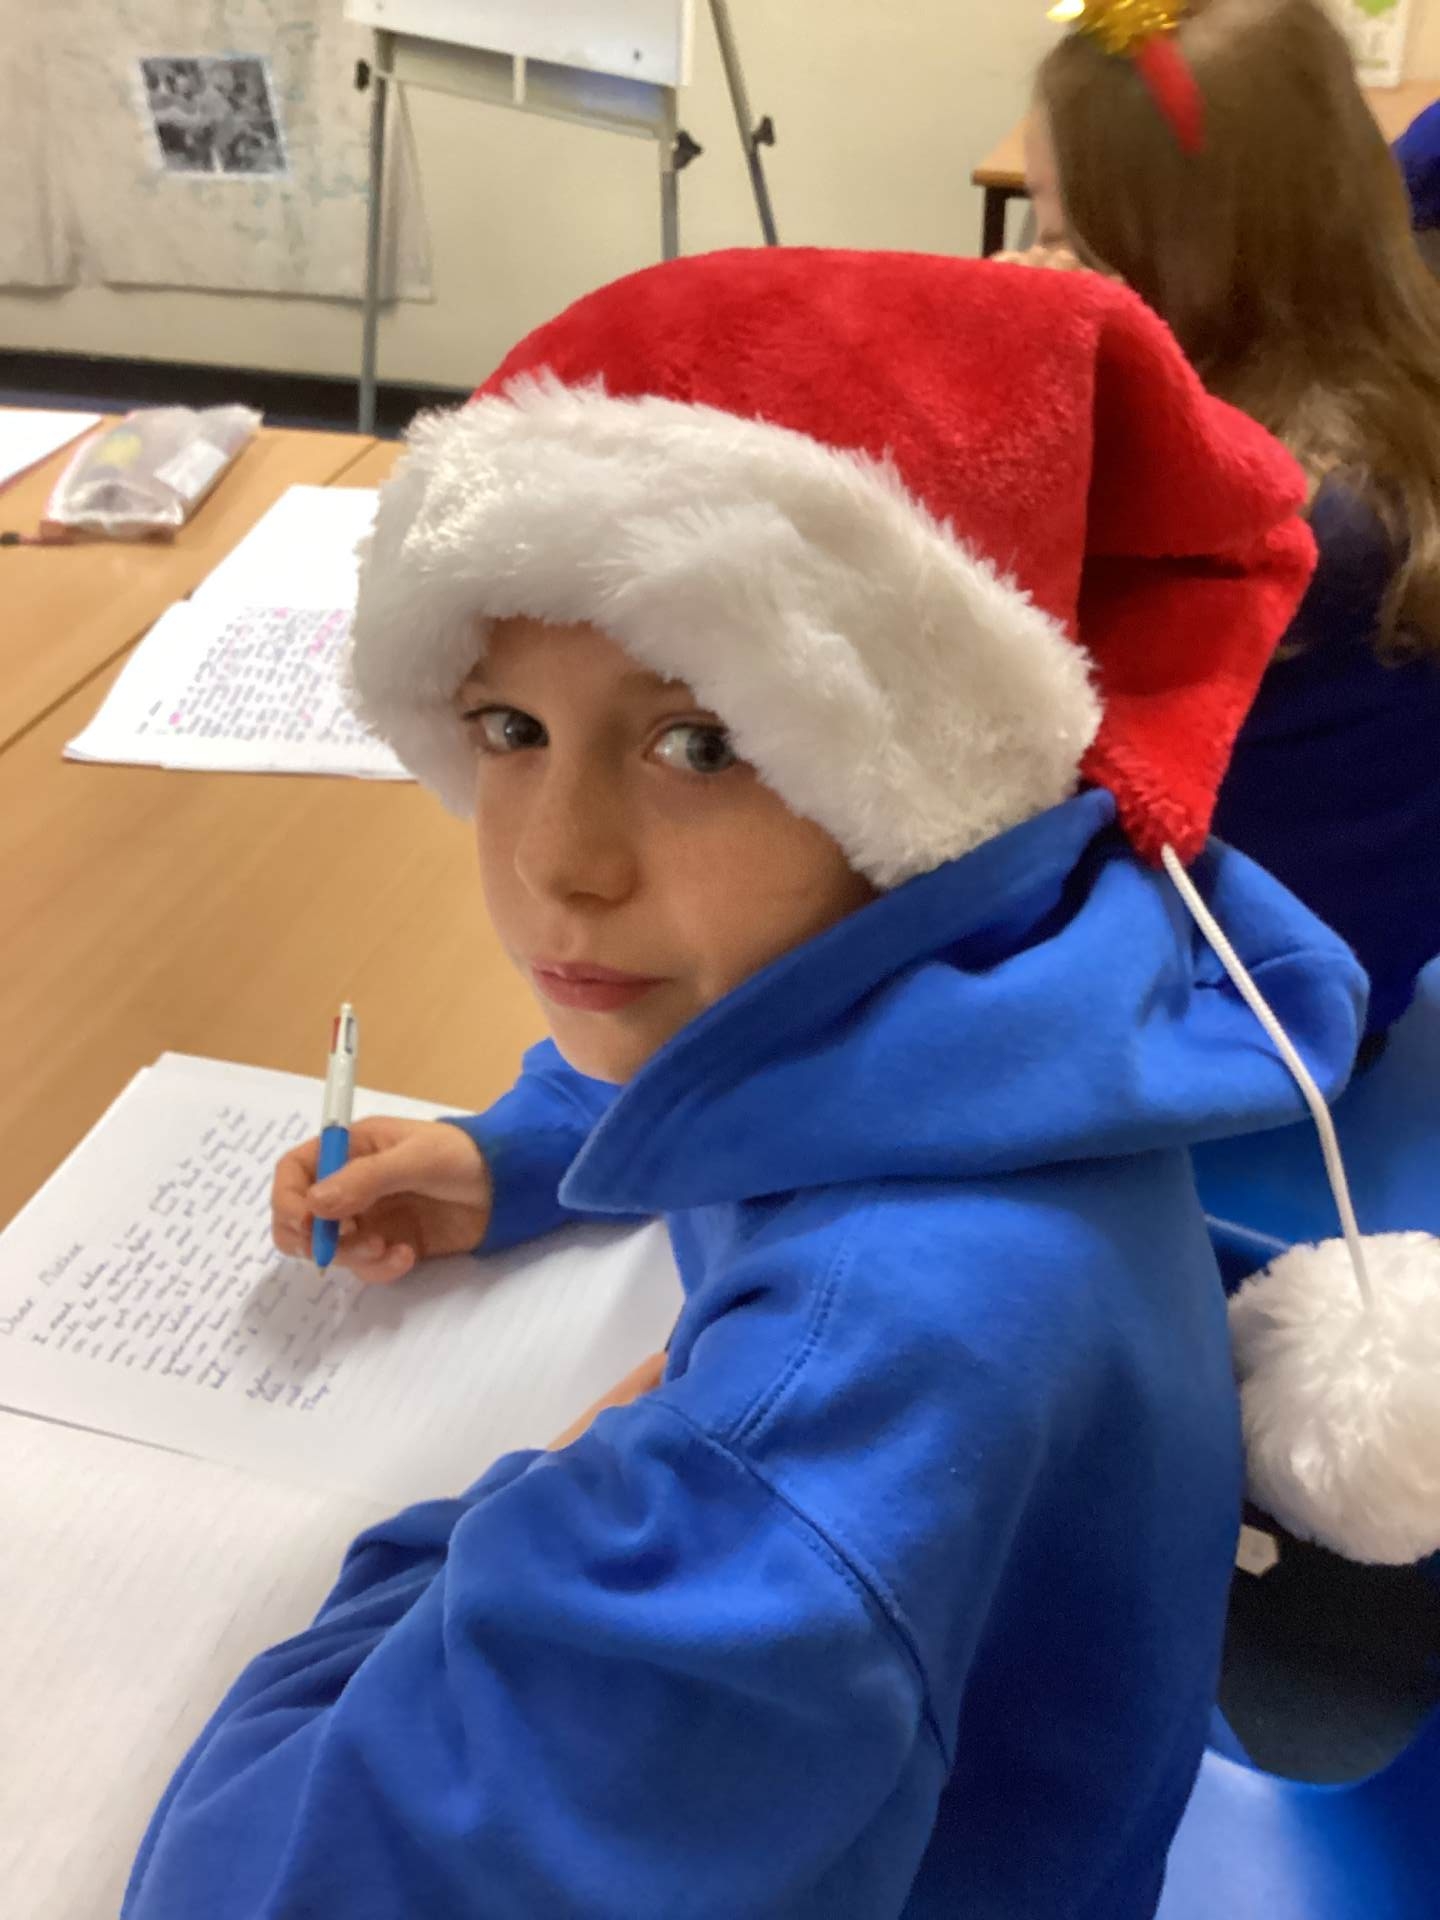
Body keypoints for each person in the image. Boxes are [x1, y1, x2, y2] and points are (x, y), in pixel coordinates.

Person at [122, 249, 1365, 1920]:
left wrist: (509, 1520)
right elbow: (808, 1052)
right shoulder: (1034, 973)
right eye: (507, 728)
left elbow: (260, 1887)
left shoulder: (822, 1415)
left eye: (699, 744)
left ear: (918, 781)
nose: (555, 865)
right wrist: (518, 1151)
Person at [1027, 0, 1440, 1040]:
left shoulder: (1250, 516)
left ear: (1173, 264)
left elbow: (1020, 751)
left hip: (1217, 1026)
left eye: (1063, 239)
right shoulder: (1397, 398)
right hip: (1354, 986)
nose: (1042, 266)